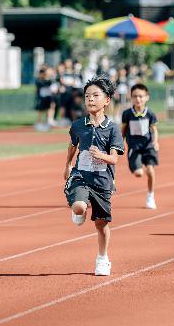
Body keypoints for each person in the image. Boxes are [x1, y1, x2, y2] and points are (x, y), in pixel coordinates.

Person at [63, 76, 124, 276]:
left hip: (102, 180)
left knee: (101, 224)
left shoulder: (113, 128)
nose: (90, 99)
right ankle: (79, 209)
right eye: (87, 96)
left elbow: (114, 159)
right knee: (79, 206)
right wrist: (68, 164)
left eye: (96, 95)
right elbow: (73, 144)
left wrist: (101, 156)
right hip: (81, 175)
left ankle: (102, 259)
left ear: (107, 100)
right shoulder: (78, 125)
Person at [121, 84, 160, 209]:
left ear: (147, 97)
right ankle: (138, 164)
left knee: (150, 170)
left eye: (141, 96)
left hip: (148, 146)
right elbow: (123, 129)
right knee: (138, 173)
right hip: (134, 147)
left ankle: (150, 196)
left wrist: (155, 141)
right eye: (135, 96)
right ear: (131, 97)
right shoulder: (127, 113)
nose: (138, 99)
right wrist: (121, 142)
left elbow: (154, 130)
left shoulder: (150, 114)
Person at [34, 66, 53, 131]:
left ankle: (46, 123)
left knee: (47, 110)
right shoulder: (38, 81)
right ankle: (39, 123)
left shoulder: (48, 80)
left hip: (47, 97)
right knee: (40, 111)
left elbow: (50, 84)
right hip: (41, 97)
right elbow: (39, 87)